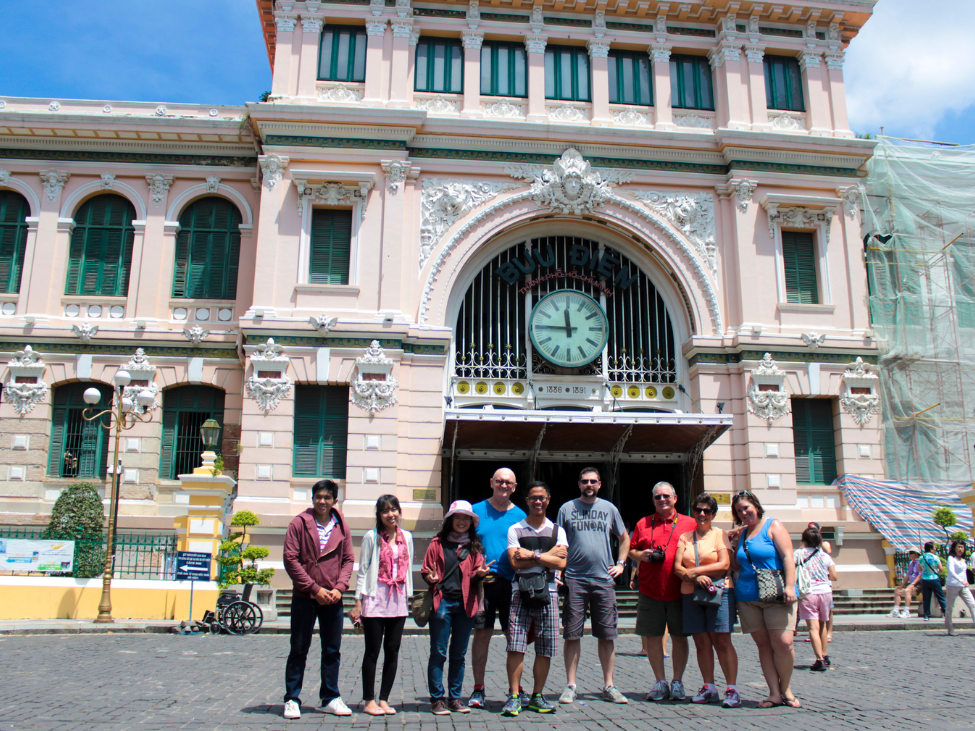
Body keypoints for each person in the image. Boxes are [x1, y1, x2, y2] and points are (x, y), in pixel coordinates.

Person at [556, 466, 630, 705]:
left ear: (600, 484)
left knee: (607, 634)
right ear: (579, 484)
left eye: (593, 481)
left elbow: (624, 537)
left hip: (603, 579)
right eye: (585, 481)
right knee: (572, 633)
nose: (589, 484)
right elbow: (559, 543)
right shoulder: (566, 509)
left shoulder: (609, 508)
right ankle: (570, 685)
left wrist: (620, 564)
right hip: (575, 579)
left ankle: (609, 685)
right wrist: (558, 572)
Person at [281, 479, 355, 720]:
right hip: (305, 596)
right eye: (318, 497)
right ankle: (292, 698)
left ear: (335, 500)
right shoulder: (299, 524)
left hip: (333, 597)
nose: (322, 501)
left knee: (332, 649)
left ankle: (330, 697)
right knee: (299, 648)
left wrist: (341, 587)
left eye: (327, 497)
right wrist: (314, 588)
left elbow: (348, 560)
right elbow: (291, 560)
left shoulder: (341, 525)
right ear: (312, 499)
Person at [502, 481, 568, 716]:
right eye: (533, 498)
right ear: (527, 500)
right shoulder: (515, 529)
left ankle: (537, 696)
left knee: (545, 648)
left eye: (541, 497)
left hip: (548, 593)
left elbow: (561, 563)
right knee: (516, 646)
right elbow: (515, 562)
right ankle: (514, 696)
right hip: (520, 592)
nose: (537, 501)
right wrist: (546, 556)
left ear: (548, 500)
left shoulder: (557, 530)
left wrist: (532, 555)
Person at [729, 491, 799, 709]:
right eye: (739, 510)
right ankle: (774, 693)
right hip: (748, 596)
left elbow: (788, 556)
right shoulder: (741, 534)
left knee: (784, 643)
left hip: (776, 593)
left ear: (756, 507)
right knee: (764, 646)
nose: (744, 513)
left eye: (746, 508)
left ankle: (786, 687)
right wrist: (726, 542)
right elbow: (737, 566)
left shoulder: (772, 525)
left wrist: (789, 586)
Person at [628, 481, 696, 701]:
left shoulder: (690, 523)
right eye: (658, 497)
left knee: (679, 638)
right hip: (650, 590)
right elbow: (631, 550)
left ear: (675, 498)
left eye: (666, 496)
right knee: (653, 638)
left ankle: (677, 681)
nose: (662, 500)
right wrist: (640, 556)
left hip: (680, 591)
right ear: (653, 500)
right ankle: (660, 681)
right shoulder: (643, 523)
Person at [421, 500, 490, 715]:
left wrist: (480, 574)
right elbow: (426, 570)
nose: (462, 522)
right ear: (450, 520)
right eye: (458, 518)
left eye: (466, 518)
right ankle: (437, 699)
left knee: (459, 654)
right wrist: (430, 578)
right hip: (442, 602)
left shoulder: (474, 546)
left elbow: (478, 570)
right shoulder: (437, 543)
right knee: (438, 652)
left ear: (471, 522)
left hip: (466, 604)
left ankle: (455, 697)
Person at [673, 493, 740, 708]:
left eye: (707, 511)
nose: (702, 514)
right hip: (690, 594)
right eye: (699, 510)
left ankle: (732, 688)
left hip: (719, 592)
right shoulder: (685, 537)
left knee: (722, 641)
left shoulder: (720, 535)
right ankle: (709, 686)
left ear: (713, 514)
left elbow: (723, 564)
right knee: (700, 643)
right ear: (693, 512)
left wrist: (695, 572)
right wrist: (695, 576)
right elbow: (676, 567)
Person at [468, 468, 527, 709]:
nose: (503, 485)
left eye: (508, 483)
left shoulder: (521, 515)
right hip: (483, 584)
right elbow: (464, 543)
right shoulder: (475, 511)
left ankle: (516, 689)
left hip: (512, 584)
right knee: (481, 635)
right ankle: (478, 689)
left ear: (514, 487)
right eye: (499, 481)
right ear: (491, 482)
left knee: (515, 638)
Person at [350, 495, 414, 715]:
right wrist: (358, 601)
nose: (390, 514)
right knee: (372, 651)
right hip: (375, 598)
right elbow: (363, 569)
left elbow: (407, 566)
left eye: (394, 509)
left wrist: (409, 596)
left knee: (393, 650)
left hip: (398, 599)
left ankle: (384, 699)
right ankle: (369, 700)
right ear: (378, 514)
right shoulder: (371, 536)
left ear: (399, 511)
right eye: (385, 511)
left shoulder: (407, 536)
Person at [793, 527, 836, 671]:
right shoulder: (825, 556)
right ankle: (824, 654)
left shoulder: (798, 553)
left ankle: (819, 660)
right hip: (825, 592)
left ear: (803, 540)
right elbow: (834, 576)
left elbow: (791, 569)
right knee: (823, 625)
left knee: (813, 627)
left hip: (808, 592)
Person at [944, 540, 975, 635]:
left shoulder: (963, 560)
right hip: (952, 585)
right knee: (949, 607)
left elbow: (963, 573)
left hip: (963, 587)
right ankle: (950, 628)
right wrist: (961, 580)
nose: (960, 549)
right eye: (958, 547)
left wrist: (965, 582)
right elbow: (951, 572)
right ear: (954, 548)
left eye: (962, 547)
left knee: (972, 604)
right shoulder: (951, 558)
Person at [888, 549, 921, 618]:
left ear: (916, 554)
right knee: (897, 591)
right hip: (911, 582)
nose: (909, 555)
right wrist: (902, 585)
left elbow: (920, 575)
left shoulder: (919, 563)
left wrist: (913, 584)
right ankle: (896, 610)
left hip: (918, 583)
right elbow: (908, 575)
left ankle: (906, 611)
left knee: (907, 591)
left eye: (911, 553)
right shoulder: (911, 563)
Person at [919, 541, 946, 621]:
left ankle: (926, 615)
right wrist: (937, 570)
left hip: (925, 579)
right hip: (934, 579)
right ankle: (946, 612)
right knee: (940, 597)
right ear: (931, 549)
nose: (935, 549)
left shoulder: (921, 558)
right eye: (934, 547)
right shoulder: (935, 557)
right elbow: (941, 569)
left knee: (926, 598)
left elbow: (919, 569)